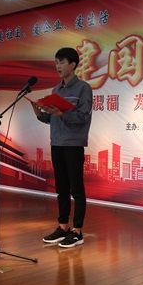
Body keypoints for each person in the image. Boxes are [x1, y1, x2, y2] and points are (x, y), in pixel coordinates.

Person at [31, 47, 93, 248]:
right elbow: (53, 119)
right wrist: (40, 113)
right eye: (56, 62)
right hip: (56, 143)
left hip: (73, 144)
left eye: (62, 62)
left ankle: (77, 231)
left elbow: (83, 117)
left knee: (77, 189)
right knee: (61, 189)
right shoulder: (56, 90)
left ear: (73, 65)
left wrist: (62, 114)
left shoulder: (83, 88)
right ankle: (63, 226)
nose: (58, 66)